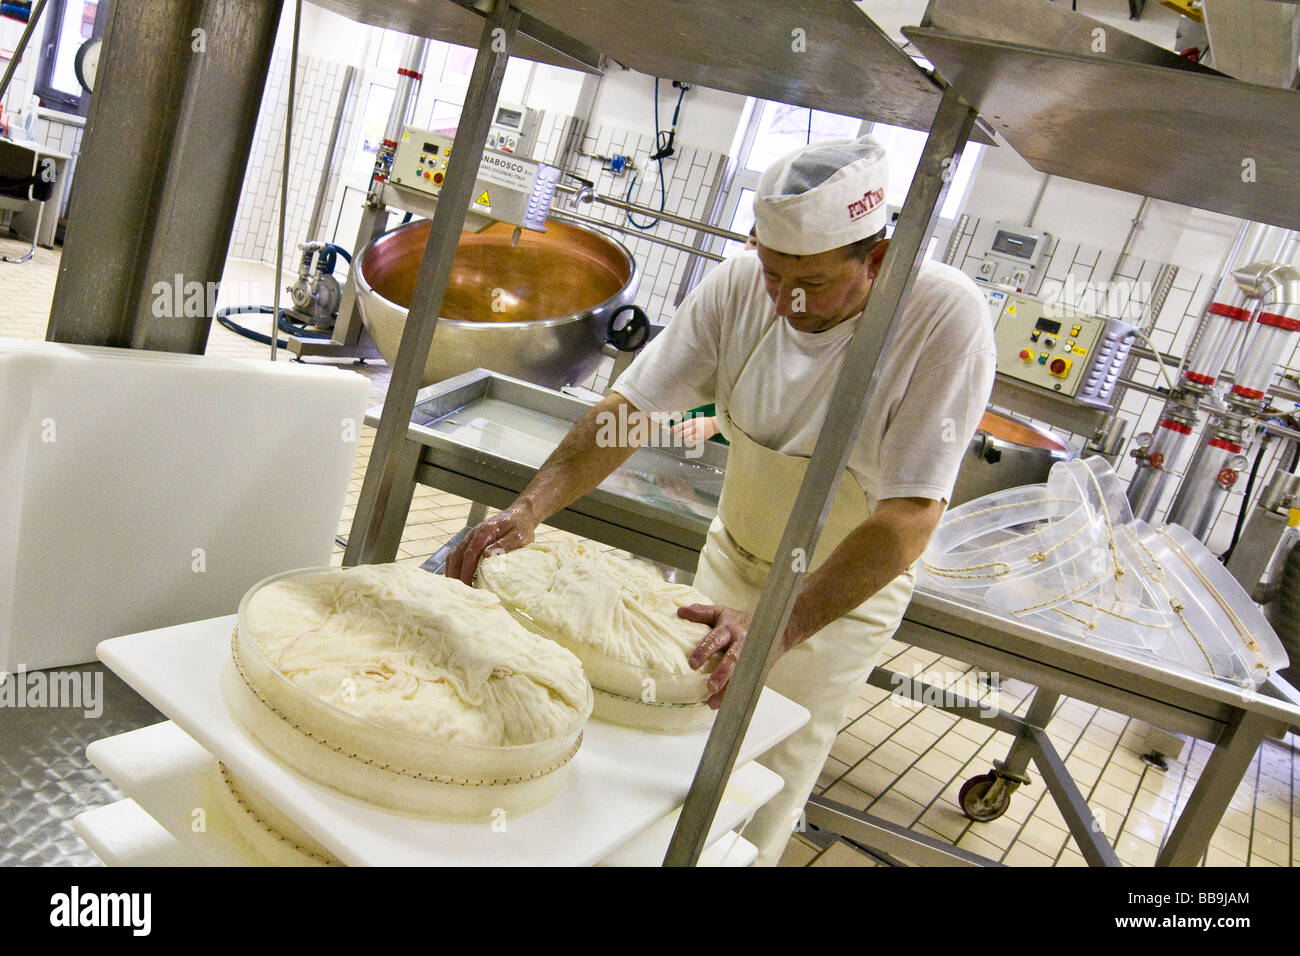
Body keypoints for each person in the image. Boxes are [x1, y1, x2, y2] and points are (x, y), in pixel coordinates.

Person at [447, 135, 996, 865]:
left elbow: (909, 517)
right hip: (729, 565)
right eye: (774, 275)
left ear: (878, 260)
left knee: (770, 765)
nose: (788, 302)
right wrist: (528, 510)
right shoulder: (741, 288)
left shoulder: (942, 319)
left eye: (815, 284)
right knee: (674, 744)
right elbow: (629, 412)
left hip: (834, 604)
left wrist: (780, 625)